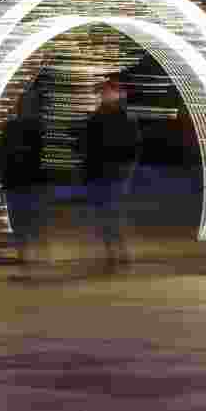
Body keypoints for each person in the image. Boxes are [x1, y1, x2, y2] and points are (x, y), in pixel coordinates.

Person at [84, 76, 141, 272]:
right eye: (103, 92)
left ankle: (121, 254)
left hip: (116, 173)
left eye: (109, 92)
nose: (105, 95)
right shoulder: (96, 118)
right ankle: (113, 254)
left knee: (113, 214)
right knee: (105, 215)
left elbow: (134, 147)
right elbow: (87, 147)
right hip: (99, 174)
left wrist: (127, 169)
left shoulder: (124, 117)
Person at [0, 89, 48, 268]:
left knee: (22, 218)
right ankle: (29, 252)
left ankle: (27, 252)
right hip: (21, 180)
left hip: (20, 180)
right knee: (25, 218)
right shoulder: (34, 128)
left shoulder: (28, 128)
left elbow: (2, 154)